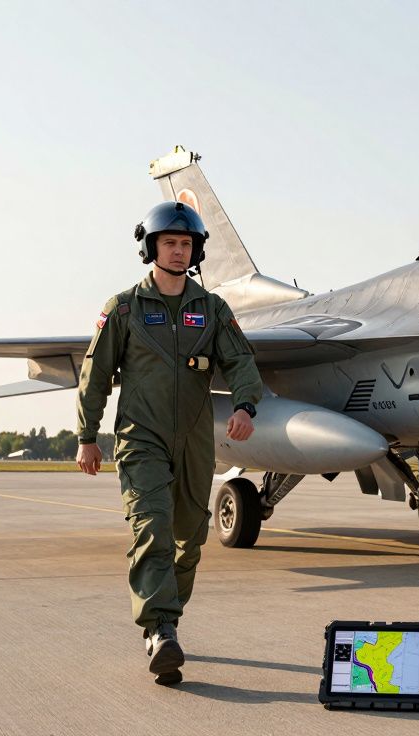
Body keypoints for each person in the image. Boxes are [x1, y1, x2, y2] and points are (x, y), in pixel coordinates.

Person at [75, 201, 264, 686]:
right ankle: (159, 630)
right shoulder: (123, 309)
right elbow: (94, 376)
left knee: (190, 538)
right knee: (151, 528)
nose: (179, 252)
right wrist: (86, 436)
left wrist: (245, 405)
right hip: (142, 437)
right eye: (169, 243)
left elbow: (241, 362)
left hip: (195, 441)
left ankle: (168, 621)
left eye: (186, 244)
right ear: (151, 248)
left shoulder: (212, 309)